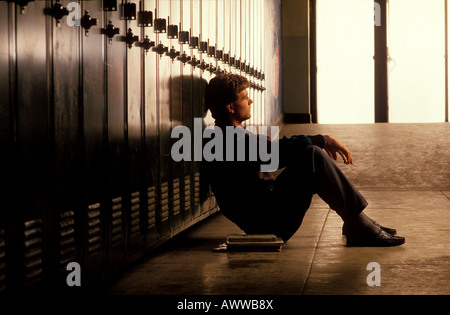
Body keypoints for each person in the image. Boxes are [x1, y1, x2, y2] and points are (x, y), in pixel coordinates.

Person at [203, 73, 405, 246]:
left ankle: (357, 221)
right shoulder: (227, 140)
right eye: (245, 97)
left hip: (267, 211)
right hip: (267, 221)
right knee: (313, 155)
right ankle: (357, 224)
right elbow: (277, 151)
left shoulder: (227, 136)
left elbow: (271, 150)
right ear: (230, 107)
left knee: (309, 154)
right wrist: (324, 139)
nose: (251, 101)